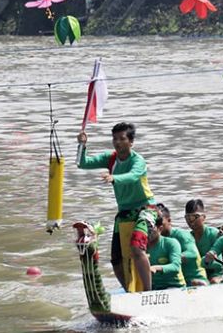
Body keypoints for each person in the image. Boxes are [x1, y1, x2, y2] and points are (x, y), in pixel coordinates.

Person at [77, 122, 156, 292]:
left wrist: (114, 178)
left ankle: (149, 293)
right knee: (116, 259)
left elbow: (133, 176)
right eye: (115, 139)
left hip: (146, 210)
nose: (117, 142)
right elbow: (82, 163)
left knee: (136, 247)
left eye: (122, 139)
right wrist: (82, 145)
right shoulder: (111, 158)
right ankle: (128, 292)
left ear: (131, 142)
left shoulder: (138, 160)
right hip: (124, 213)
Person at [156, 203, 209, 286]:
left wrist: (174, 258)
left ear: (169, 221)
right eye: (155, 223)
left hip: (193, 278)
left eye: (160, 223)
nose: (157, 226)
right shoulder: (153, 239)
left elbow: (192, 253)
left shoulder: (182, 235)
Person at [185, 199, 223, 284]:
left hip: (217, 274)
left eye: (195, 217)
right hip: (200, 275)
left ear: (204, 217)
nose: (191, 221)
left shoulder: (214, 234)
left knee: (214, 281)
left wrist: (203, 261)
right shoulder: (187, 237)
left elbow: (220, 264)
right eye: (188, 217)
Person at [147, 210, 187, 290]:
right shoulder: (141, 247)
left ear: (160, 229)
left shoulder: (171, 243)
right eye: (146, 228)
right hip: (154, 287)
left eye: (151, 228)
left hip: (175, 286)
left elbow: (176, 267)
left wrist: (156, 268)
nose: (148, 232)